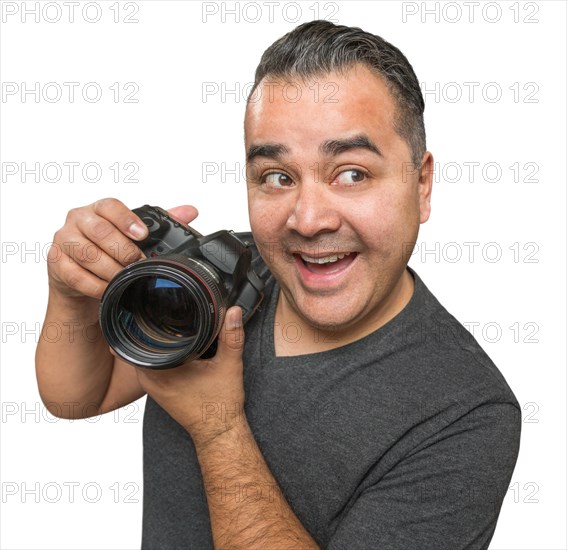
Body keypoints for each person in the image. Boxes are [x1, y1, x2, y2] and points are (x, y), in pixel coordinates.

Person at [36, 20, 521, 549]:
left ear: (421, 185)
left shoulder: (466, 412)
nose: (308, 220)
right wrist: (70, 294)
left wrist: (219, 428)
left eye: (351, 173)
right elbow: (77, 398)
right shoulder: (225, 276)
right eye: (277, 177)